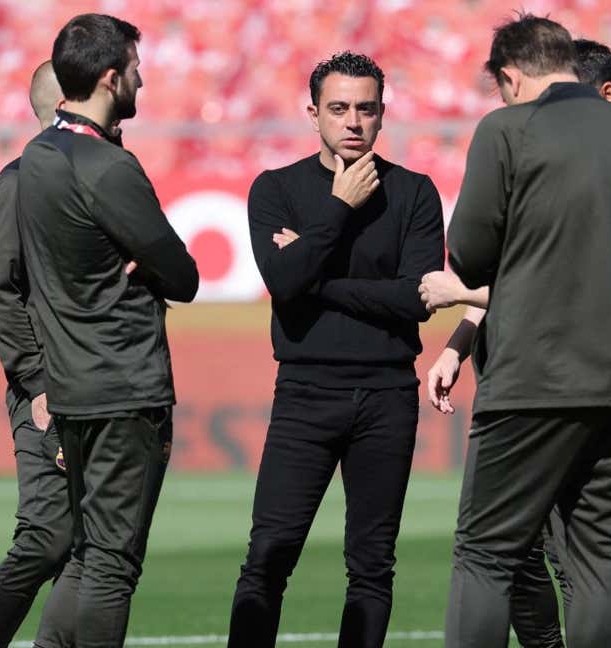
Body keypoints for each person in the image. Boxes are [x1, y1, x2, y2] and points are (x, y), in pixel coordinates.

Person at [439, 15, 611, 648]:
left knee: (485, 554)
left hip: (531, 381)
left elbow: (467, 254)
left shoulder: (505, 130)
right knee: (604, 561)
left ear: (510, 76)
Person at [227, 51, 444, 648]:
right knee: (268, 556)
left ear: (382, 115)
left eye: (366, 109)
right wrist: (337, 208)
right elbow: (283, 281)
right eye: (339, 108)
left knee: (371, 566)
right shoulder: (275, 189)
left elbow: (417, 299)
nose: (353, 121)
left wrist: (319, 278)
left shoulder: (415, 193)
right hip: (305, 392)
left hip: (388, 395)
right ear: (313, 113)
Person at [16, 14, 199, 648]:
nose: (143, 81)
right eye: (137, 69)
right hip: (124, 387)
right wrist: (143, 263)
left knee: (89, 551)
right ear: (112, 76)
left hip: (71, 386)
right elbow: (183, 274)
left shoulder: (35, 159)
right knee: (112, 562)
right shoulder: (108, 168)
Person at [0, 60, 73, 648]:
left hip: (100, 384)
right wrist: (36, 382)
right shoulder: (17, 184)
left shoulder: (101, 179)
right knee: (45, 539)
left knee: (93, 549)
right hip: (49, 390)